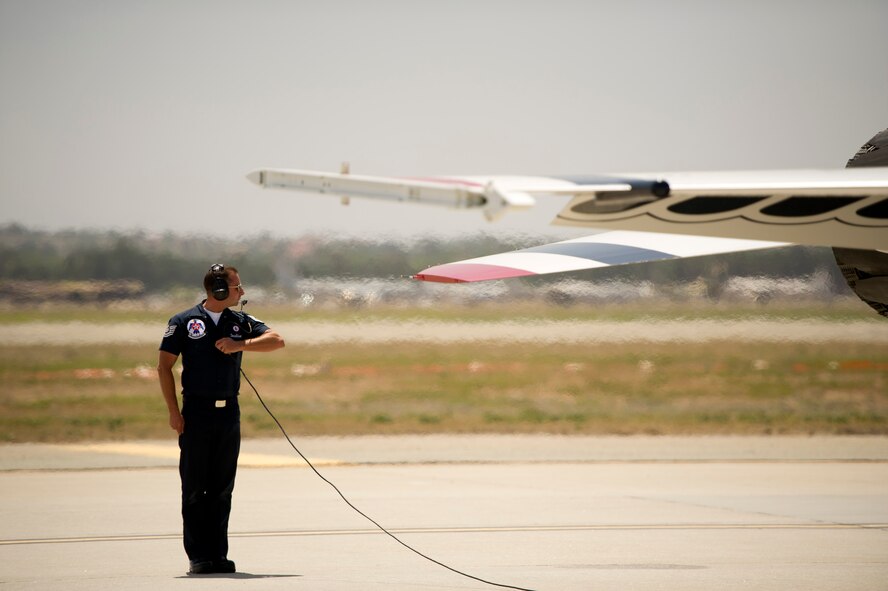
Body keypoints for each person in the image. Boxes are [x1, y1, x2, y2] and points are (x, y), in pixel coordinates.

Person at [157, 263, 285, 574]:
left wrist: (240, 345)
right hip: (196, 413)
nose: (241, 292)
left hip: (229, 412)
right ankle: (198, 556)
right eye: (236, 287)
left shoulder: (240, 321)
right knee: (195, 487)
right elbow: (164, 367)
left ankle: (218, 554)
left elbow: (277, 340)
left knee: (221, 488)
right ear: (217, 290)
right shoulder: (184, 322)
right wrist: (174, 413)